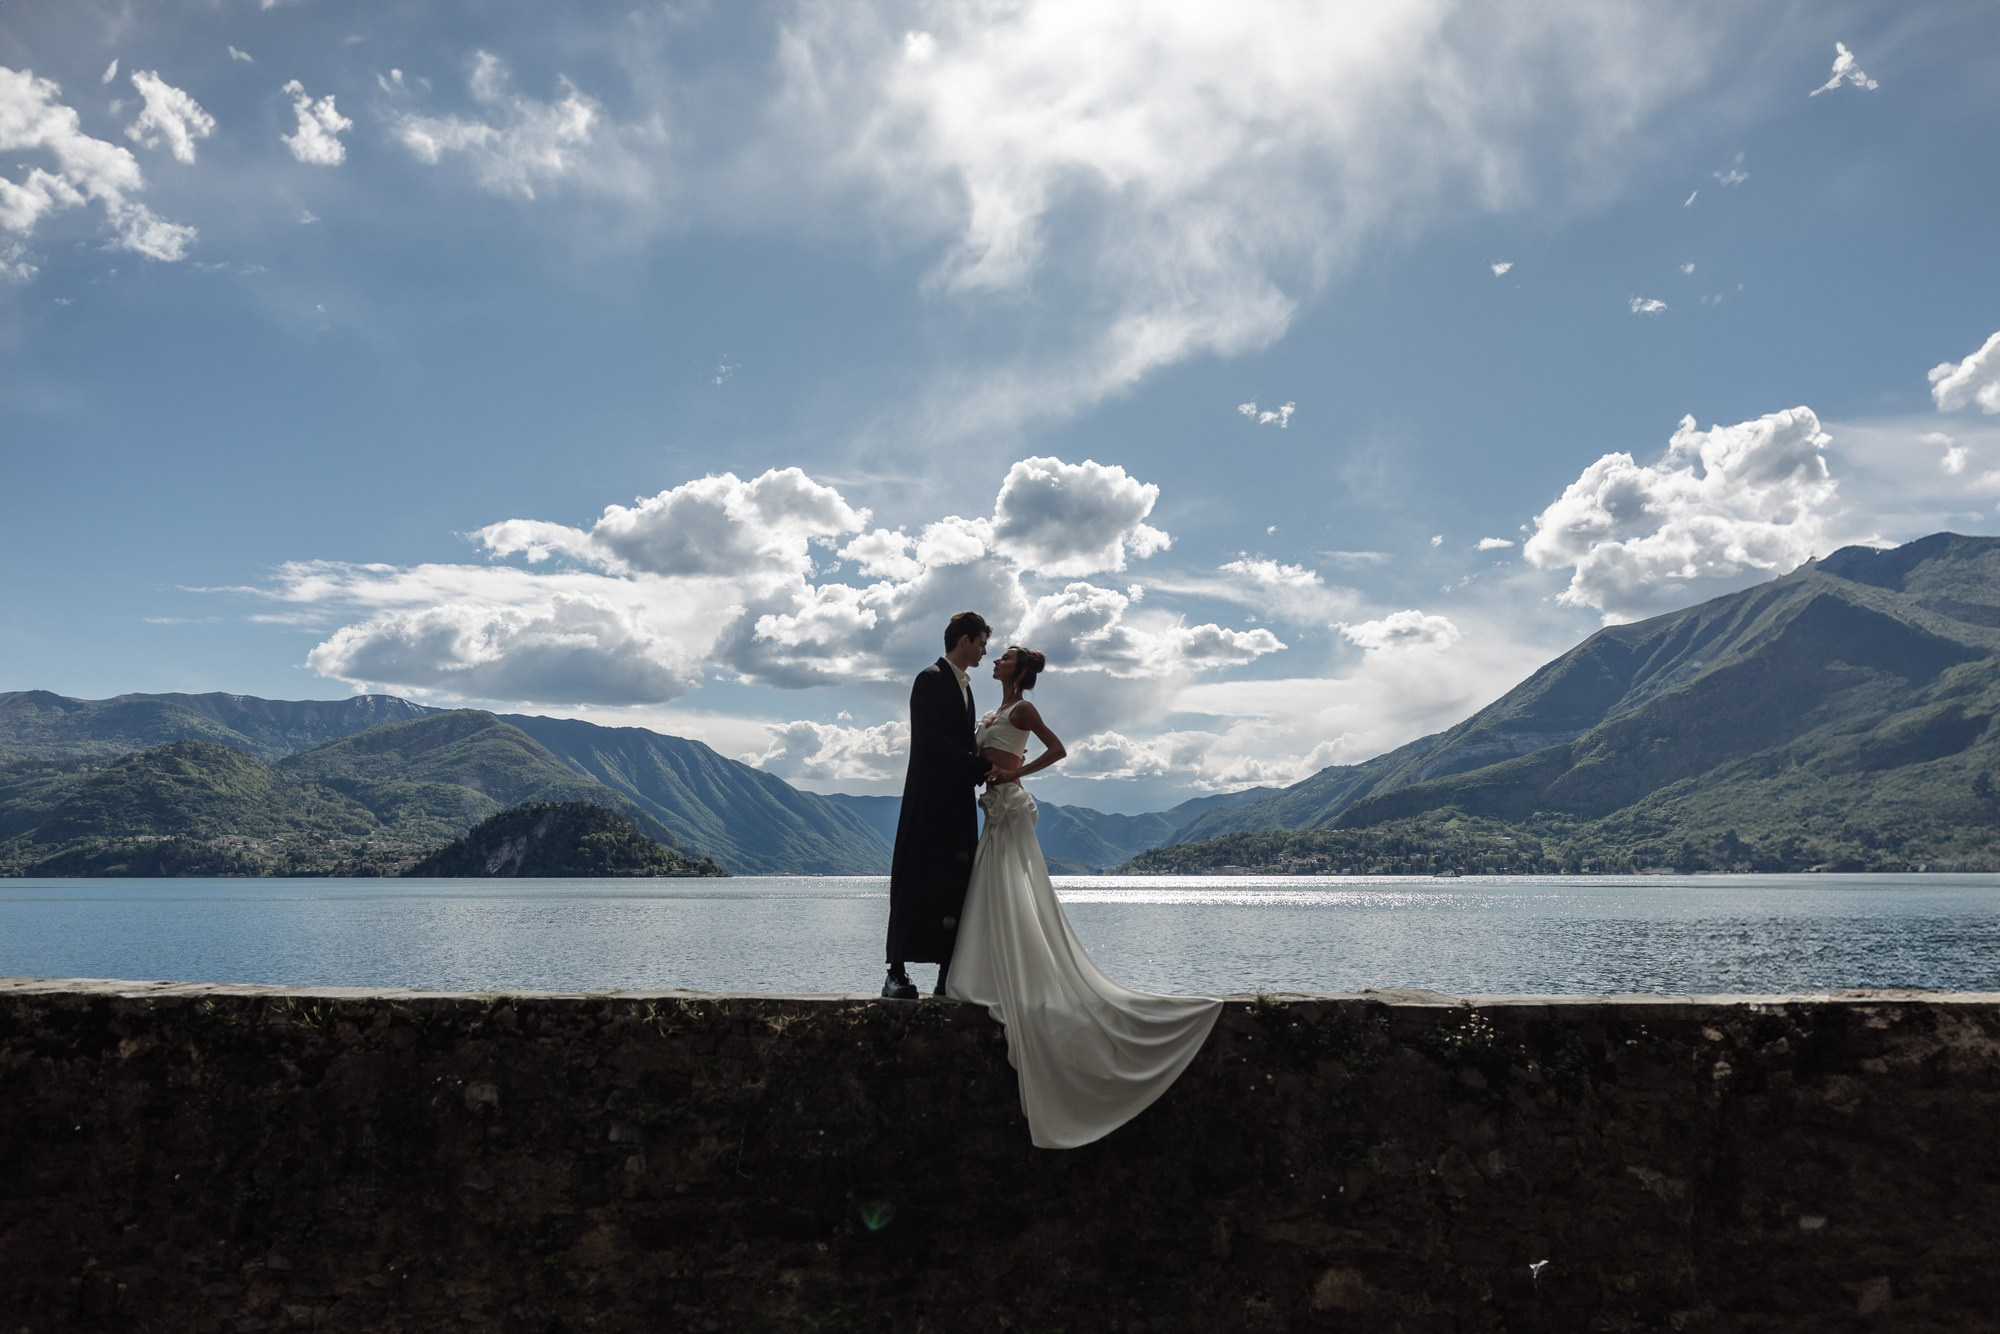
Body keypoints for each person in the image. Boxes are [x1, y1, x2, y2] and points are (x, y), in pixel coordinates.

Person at [946, 645, 1222, 1148]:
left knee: (1012, 891)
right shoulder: (993, 711)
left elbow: (1058, 750)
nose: (997, 661)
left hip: (1009, 807)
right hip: (994, 809)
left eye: (1004, 657)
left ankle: (1018, 978)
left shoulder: (1023, 709)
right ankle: (989, 972)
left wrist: (1014, 774)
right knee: (994, 891)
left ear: (1021, 671)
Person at [883, 611, 995, 1000]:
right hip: (928, 800)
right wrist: (982, 765)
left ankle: (947, 974)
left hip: (957, 801)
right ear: (963, 640)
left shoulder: (966, 687)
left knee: (956, 884)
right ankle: (895, 973)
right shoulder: (928, 679)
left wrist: (988, 762)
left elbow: (963, 745)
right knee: (914, 878)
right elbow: (931, 741)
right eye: (981, 642)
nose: (984, 651)